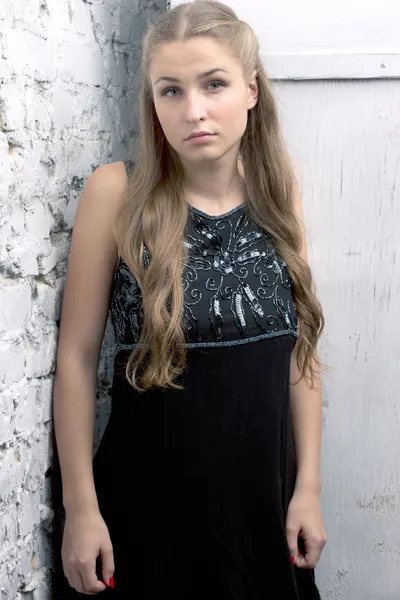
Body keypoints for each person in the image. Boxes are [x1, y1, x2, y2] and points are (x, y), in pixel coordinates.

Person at [53, 0, 327, 597]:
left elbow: (300, 351)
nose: (193, 110)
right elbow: (75, 359)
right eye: (170, 91)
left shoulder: (279, 195)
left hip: (261, 514)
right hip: (144, 519)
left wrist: (308, 487)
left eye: (214, 84)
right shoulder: (116, 192)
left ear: (251, 91)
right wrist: (81, 508)